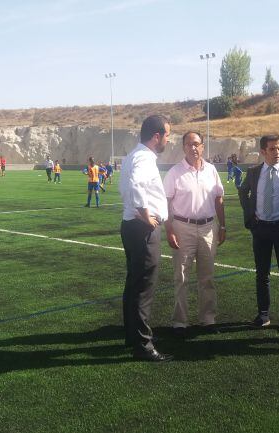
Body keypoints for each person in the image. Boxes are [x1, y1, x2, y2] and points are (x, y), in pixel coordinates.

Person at [119, 114, 172, 362]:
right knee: (143, 288)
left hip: (131, 226)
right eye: (167, 135)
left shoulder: (135, 155)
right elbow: (135, 184)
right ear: (156, 136)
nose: (168, 141)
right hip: (142, 230)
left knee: (134, 284)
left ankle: (133, 336)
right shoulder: (144, 158)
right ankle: (143, 345)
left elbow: (126, 185)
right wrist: (145, 214)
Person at [238, 134, 279, 334]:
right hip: (261, 229)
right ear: (263, 151)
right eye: (273, 149)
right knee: (262, 275)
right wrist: (251, 217)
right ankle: (263, 315)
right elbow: (243, 192)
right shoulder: (254, 172)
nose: (277, 153)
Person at [163, 131, 226, 337]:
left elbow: (219, 199)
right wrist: (169, 229)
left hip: (209, 228)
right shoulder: (174, 172)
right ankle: (180, 322)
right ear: (183, 148)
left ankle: (208, 319)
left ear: (203, 146)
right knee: (181, 276)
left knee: (207, 277)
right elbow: (166, 203)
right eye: (189, 144)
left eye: (197, 144)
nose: (193, 148)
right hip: (183, 227)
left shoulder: (211, 171)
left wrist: (222, 226)